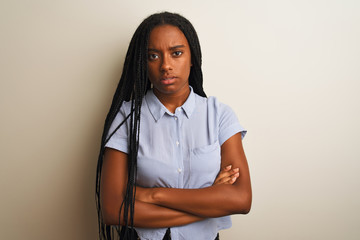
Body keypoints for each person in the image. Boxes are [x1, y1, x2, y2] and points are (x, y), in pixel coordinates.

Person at [95, 12, 252, 240]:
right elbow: (112, 210)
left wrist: (153, 195)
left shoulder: (219, 115)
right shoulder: (127, 118)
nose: (166, 65)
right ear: (142, 62)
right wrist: (209, 203)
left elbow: (241, 199)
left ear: (192, 58)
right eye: (153, 56)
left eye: (176, 53)